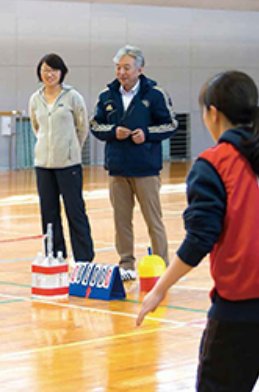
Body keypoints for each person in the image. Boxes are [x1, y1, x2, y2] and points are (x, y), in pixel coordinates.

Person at [136, 71, 259, 392]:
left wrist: (160, 287)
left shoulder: (215, 164)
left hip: (245, 305)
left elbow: (201, 237)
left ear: (213, 112)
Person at [90, 45, 178, 281]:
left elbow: (170, 124)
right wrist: (112, 131)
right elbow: (95, 125)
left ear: (140, 69)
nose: (122, 72)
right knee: (121, 221)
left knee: (153, 221)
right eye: (118, 68)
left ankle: (162, 265)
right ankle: (126, 264)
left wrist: (147, 134)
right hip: (117, 169)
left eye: (127, 67)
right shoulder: (106, 95)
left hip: (146, 169)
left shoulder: (155, 94)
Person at [28, 53, 95, 263]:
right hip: (43, 165)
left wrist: (70, 148)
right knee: (48, 212)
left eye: (54, 70)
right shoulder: (35, 98)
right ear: (40, 72)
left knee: (75, 210)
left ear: (62, 73)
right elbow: (36, 127)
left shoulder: (72, 96)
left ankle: (84, 257)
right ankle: (55, 255)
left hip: (68, 164)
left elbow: (82, 127)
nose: (50, 74)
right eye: (46, 70)